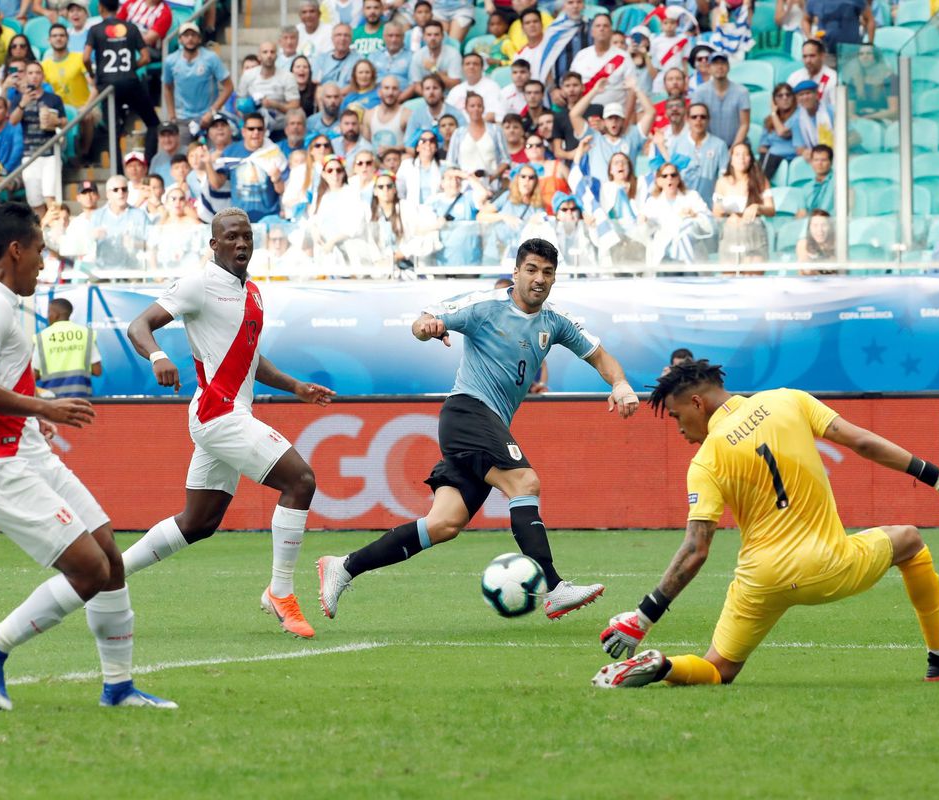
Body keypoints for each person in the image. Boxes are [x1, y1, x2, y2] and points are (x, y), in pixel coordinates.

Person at [592, 360, 939, 688]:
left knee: (718, 670)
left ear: (697, 402)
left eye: (677, 417)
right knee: (909, 540)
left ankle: (663, 665)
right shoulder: (787, 399)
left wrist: (642, 618)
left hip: (761, 581)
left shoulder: (706, 460)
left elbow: (696, 549)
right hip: (829, 565)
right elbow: (861, 441)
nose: (679, 430)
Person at [317, 238, 639, 620]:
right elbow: (422, 322)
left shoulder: (555, 321)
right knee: (524, 483)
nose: (539, 279)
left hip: (485, 424)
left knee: (444, 524)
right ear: (516, 272)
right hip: (467, 413)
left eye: (548, 273)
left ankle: (344, 566)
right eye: (532, 270)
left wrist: (619, 384)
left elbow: (600, 356)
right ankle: (552, 588)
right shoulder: (485, 307)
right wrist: (428, 327)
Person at [0, 201, 175, 711]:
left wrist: (24, 416)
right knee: (90, 570)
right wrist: (38, 406)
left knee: (110, 559)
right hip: (5, 469)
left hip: (29, 457)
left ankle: (118, 689)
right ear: (16, 250)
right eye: (41, 251)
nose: (44, 263)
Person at [121, 208, 334, 639]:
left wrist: (295, 387)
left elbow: (250, 360)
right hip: (218, 414)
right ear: (214, 245)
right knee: (301, 481)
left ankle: (108, 571)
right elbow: (138, 325)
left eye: (247, 238)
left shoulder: (252, 291)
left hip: (228, 414)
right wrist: (159, 356)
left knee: (198, 522)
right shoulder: (198, 284)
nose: (241, 244)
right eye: (232, 238)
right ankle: (281, 592)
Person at [85, 0, 159, 162]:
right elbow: (146, 57)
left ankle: (117, 172)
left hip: (107, 85)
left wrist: (93, 75)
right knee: (153, 123)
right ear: (119, 8)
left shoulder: (95, 29)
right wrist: (130, 68)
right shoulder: (132, 28)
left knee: (113, 132)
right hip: (130, 81)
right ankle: (148, 162)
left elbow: (85, 58)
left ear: (100, 8)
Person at [8, 61, 66, 215]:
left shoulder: (54, 99)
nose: (34, 76)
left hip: (50, 152)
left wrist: (56, 121)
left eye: (38, 73)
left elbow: (65, 121)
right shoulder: (19, 98)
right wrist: (23, 103)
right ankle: (43, 231)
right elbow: (12, 121)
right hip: (30, 154)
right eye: (31, 73)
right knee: (35, 200)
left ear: (43, 76)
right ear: (26, 76)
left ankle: (55, 229)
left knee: (50, 195)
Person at [163, 22, 233, 140]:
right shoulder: (170, 61)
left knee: (214, 153)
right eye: (186, 35)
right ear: (180, 40)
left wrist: (213, 111)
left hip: (208, 117)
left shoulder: (211, 58)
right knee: (182, 155)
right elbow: (167, 87)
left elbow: (228, 86)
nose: (190, 38)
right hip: (182, 118)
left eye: (193, 35)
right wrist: (172, 115)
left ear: (199, 39)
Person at [42, 24, 97, 158]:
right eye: (54, 36)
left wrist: (87, 106)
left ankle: (85, 153)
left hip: (82, 105)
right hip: (58, 110)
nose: (58, 39)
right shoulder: (45, 65)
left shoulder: (79, 58)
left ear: (67, 39)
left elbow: (94, 83)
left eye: (62, 35)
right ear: (49, 40)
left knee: (88, 115)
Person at [713, 142, 774, 262]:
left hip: (754, 233)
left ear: (751, 159)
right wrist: (724, 208)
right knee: (728, 275)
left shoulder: (760, 180)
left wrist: (758, 207)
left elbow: (771, 209)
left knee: (753, 275)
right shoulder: (722, 182)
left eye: (745, 154)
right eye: (737, 154)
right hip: (730, 233)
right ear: (731, 160)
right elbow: (716, 209)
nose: (741, 157)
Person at [642, 161, 713, 264]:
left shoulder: (692, 197)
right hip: (662, 258)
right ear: (658, 181)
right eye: (664, 176)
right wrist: (644, 221)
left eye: (673, 175)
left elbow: (710, 224)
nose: (669, 178)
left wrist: (695, 215)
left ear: (678, 178)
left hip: (691, 259)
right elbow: (645, 232)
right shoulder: (651, 203)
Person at [33, 297, 102, 397]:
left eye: (49, 312)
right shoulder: (86, 334)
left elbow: (33, 375)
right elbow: (97, 371)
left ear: (56, 314)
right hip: (81, 401)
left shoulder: (42, 337)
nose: (48, 316)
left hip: (52, 403)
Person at [671, 101, 728, 208]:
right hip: (681, 207)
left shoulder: (719, 145)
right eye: (694, 117)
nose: (698, 120)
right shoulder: (677, 143)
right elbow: (669, 176)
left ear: (708, 120)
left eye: (703, 117)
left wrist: (719, 206)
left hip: (709, 207)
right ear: (687, 119)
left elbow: (723, 181)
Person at [237, 40, 299, 138]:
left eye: (272, 52)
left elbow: (295, 106)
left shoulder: (288, 77)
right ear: (259, 56)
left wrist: (276, 105)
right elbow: (238, 103)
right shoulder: (248, 76)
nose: (269, 55)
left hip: (279, 130)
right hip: (254, 130)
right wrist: (251, 106)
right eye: (265, 52)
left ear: (277, 55)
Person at [690, 51, 749, 148]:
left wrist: (733, 150)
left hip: (736, 145)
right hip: (708, 146)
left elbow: (744, 124)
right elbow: (694, 122)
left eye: (723, 63)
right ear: (709, 68)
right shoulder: (700, 92)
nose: (719, 67)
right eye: (715, 63)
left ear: (728, 67)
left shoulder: (742, 92)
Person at [571, 13, 630, 109]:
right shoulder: (581, 56)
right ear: (592, 31)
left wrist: (627, 119)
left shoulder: (624, 57)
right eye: (598, 26)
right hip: (584, 115)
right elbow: (571, 84)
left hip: (614, 118)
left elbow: (631, 92)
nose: (601, 29)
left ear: (611, 31)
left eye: (605, 26)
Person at [91, 174, 149, 268]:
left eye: (124, 189)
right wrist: (93, 237)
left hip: (132, 271)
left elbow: (152, 244)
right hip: (103, 271)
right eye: (115, 190)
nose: (121, 192)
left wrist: (135, 244)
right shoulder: (97, 216)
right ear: (108, 194)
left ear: (128, 192)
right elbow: (86, 245)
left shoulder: (139, 215)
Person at [404, 73, 462, 152]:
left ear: (442, 91)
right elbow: (408, 145)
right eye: (427, 89)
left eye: (435, 88)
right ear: (423, 92)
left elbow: (464, 141)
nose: (431, 92)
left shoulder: (455, 114)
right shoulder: (416, 115)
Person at [841, 43, 896, 121]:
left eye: (869, 53)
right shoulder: (854, 80)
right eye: (861, 54)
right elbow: (849, 111)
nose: (864, 56)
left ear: (876, 57)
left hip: (884, 120)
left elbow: (894, 111)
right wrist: (858, 120)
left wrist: (868, 118)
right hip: (861, 120)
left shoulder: (890, 78)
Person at [802, 0, 873, 59]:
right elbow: (805, 20)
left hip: (852, 53)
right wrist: (809, 36)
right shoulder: (814, 1)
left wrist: (869, 44)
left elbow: (870, 19)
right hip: (826, 54)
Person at [445, 52, 504, 122]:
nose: (471, 67)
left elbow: (491, 115)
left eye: (475, 64)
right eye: (467, 64)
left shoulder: (492, 86)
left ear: (482, 68)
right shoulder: (455, 90)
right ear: (462, 68)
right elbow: (447, 115)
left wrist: (473, 129)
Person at [409, 20, 461, 94]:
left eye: (436, 34)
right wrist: (431, 98)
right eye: (429, 35)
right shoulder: (418, 56)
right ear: (423, 36)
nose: (433, 38)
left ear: (442, 36)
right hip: (426, 99)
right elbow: (416, 85)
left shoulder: (453, 54)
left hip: (449, 97)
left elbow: (455, 83)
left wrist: (433, 69)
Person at [758, 83, 796, 179]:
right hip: (771, 158)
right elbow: (762, 147)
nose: (785, 98)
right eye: (780, 95)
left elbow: (782, 132)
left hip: (790, 157)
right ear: (774, 100)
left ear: (793, 98)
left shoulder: (798, 116)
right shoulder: (769, 120)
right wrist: (766, 151)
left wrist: (773, 112)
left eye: (788, 95)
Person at [798, 143, 834, 217]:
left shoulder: (840, 182)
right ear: (811, 162)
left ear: (831, 162)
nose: (819, 163)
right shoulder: (806, 188)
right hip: (812, 225)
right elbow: (801, 214)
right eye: (816, 160)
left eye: (823, 160)